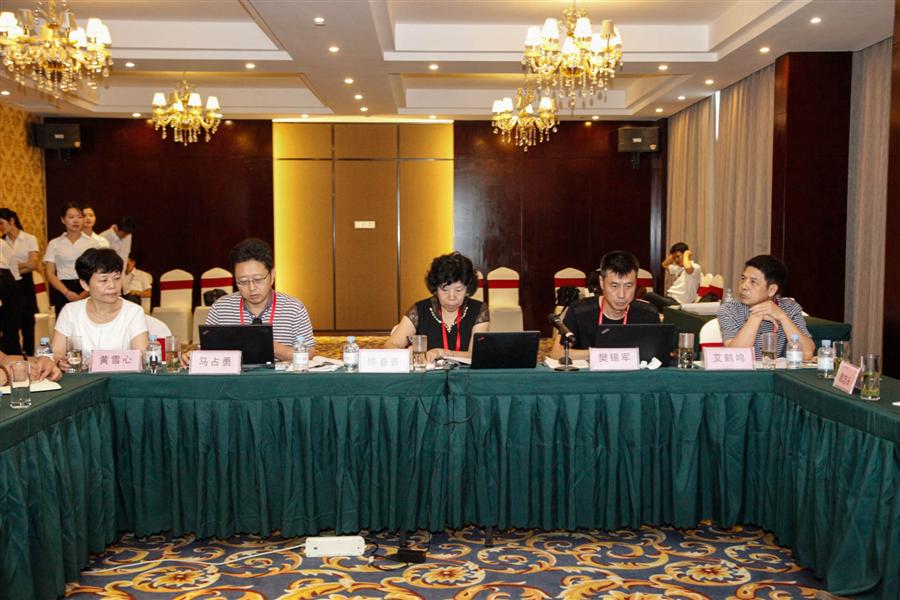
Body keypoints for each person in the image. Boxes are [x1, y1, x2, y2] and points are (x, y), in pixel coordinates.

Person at [202, 238, 316, 362]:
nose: (252, 288)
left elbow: (309, 353)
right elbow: (207, 349)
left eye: (258, 279)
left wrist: (271, 347)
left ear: (272, 275)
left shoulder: (294, 308)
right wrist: (194, 356)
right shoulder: (220, 308)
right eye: (243, 281)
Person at [550, 250, 660, 361]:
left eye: (628, 286)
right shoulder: (579, 310)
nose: (621, 295)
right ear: (602, 282)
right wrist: (603, 354)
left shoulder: (649, 314)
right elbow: (557, 353)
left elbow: (660, 354)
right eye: (614, 286)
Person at [51, 248, 149, 368]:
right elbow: (56, 353)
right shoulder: (71, 312)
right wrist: (60, 361)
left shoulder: (133, 312)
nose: (112, 285)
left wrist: (98, 362)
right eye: (103, 280)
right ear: (85, 284)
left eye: (117, 278)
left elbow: (141, 356)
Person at [385, 252, 489, 361]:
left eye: (458, 290)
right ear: (435, 288)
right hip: (427, 371)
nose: (452, 297)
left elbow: (477, 354)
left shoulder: (478, 310)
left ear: (468, 288)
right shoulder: (420, 310)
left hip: (466, 372)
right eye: (445, 290)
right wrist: (407, 354)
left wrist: (443, 353)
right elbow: (390, 345)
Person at [717, 254, 814, 360]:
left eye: (753, 282)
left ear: (771, 290)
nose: (743, 286)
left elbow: (807, 354)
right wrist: (756, 316)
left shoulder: (789, 308)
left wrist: (783, 317)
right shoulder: (729, 310)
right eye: (743, 278)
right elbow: (734, 357)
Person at [43, 203, 100, 316]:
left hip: (87, 288)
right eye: (71, 217)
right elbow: (50, 273)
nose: (76, 221)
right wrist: (66, 292)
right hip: (62, 289)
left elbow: (98, 271)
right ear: (63, 220)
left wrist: (85, 292)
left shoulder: (93, 243)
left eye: (79, 217)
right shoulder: (54, 243)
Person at [0, 209, 40, 354]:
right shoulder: (3, 241)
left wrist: (12, 268)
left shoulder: (29, 238)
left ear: (11, 221)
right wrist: (21, 266)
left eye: (1, 223)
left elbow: (33, 264)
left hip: (25, 282)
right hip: (8, 284)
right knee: (10, 322)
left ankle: (29, 354)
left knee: (28, 321)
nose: (0, 227)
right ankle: (14, 354)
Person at [644, 242, 702, 310]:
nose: (676, 260)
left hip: (679, 304)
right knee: (646, 306)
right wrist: (673, 256)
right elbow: (664, 264)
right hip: (668, 298)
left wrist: (686, 254)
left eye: (678, 256)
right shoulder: (678, 268)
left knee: (649, 295)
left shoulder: (696, 267)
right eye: (674, 258)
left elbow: (688, 269)